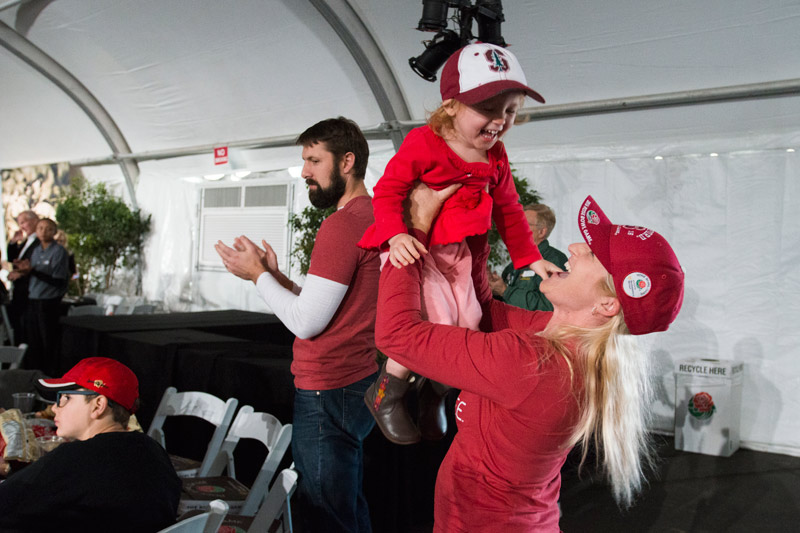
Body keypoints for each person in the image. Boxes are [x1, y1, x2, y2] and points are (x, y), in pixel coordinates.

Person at [375, 187, 684, 532]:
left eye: (594, 255)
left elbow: (397, 334)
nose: (575, 248)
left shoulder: (532, 365)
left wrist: (413, 229)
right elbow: (485, 310)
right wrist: (473, 226)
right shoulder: (565, 344)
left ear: (607, 305)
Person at [359, 42, 562, 445]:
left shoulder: (497, 155)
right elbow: (386, 192)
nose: (499, 122)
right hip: (420, 250)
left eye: (510, 111)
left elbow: (509, 208)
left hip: (458, 254)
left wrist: (530, 257)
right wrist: (397, 234)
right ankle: (385, 393)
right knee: (431, 325)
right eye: (488, 110)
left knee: (468, 324)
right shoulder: (423, 143)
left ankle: (436, 391)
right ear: (450, 105)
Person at [215, 117, 379, 533]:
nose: (304, 171)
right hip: (354, 380)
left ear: (347, 161)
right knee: (344, 502)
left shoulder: (342, 225)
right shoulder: (371, 215)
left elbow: (306, 323)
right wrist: (278, 277)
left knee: (326, 513)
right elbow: (332, 306)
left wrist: (258, 276)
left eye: (312, 160)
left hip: (331, 385)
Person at [0, 357, 181, 531]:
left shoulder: (74, 458)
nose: (55, 408)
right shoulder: (155, 451)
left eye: (65, 398)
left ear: (98, 405)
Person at [12, 219, 69, 374]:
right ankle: (35, 375)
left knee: (48, 342)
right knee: (33, 342)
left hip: (49, 302)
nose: (44, 232)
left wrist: (32, 271)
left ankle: (50, 376)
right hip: (33, 300)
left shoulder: (59, 252)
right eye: (41, 228)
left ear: (54, 232)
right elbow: (32, 272)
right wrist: (21, 272)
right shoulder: (36, 250)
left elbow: (57, 280)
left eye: (48, 229)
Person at [489, 203, 568, 311]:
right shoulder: (513, 266)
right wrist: (492, 287)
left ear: (541, 232)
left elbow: (549, 306)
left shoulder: (555, 260)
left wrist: (506, 291)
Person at [6, 210, 40, 344]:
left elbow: (33, 265)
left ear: (34, 220)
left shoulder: (39, 242)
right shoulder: (27, 241)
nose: (21, 226)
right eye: (19, 223)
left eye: (23, 222)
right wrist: (13, 243)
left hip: (29, 290)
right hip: (20, 290)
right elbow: (14, 261)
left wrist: (21, 273)